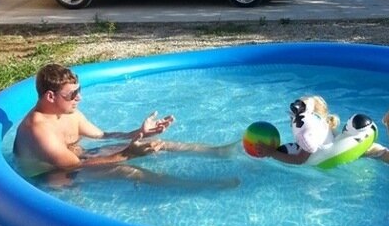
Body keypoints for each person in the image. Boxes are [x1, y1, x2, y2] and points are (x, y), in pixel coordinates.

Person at [13, 63, 237, 187]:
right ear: (50, 97)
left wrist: (140, 133)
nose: (79, 97)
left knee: (156, 143)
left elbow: (103, 136)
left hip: (80, 159)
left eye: (78, 90)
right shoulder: (39, 130)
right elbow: (74, 166)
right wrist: (128, 154)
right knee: (127, 170)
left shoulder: (69, 112)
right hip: (52, 177)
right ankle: (198, 187)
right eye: (72, 94)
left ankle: (218, 152)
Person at [254, 95, 389, 168]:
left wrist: (271, 153)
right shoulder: (327, 133)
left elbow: (299, 160)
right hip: (354, 150)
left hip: (357, 150)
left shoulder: (312, 138)